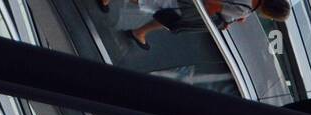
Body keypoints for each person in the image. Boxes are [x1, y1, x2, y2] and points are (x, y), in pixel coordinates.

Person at [121, 0, 290, 50]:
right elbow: (213, 6)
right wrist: (215, 22)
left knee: (165, 16)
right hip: (190, 6)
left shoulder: (248, 7)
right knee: (154, 3)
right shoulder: (244, 9)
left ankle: (140, 32)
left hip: (188, 6)